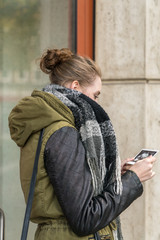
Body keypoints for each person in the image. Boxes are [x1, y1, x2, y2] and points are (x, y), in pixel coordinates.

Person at [8, 48, 156, 240]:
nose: (97, 102)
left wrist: (110, 175)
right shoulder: (62, 132)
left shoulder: (48, 123)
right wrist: (133, 180)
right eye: (96, 95)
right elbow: (85, 219)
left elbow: (67, 188)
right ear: (75, 87)